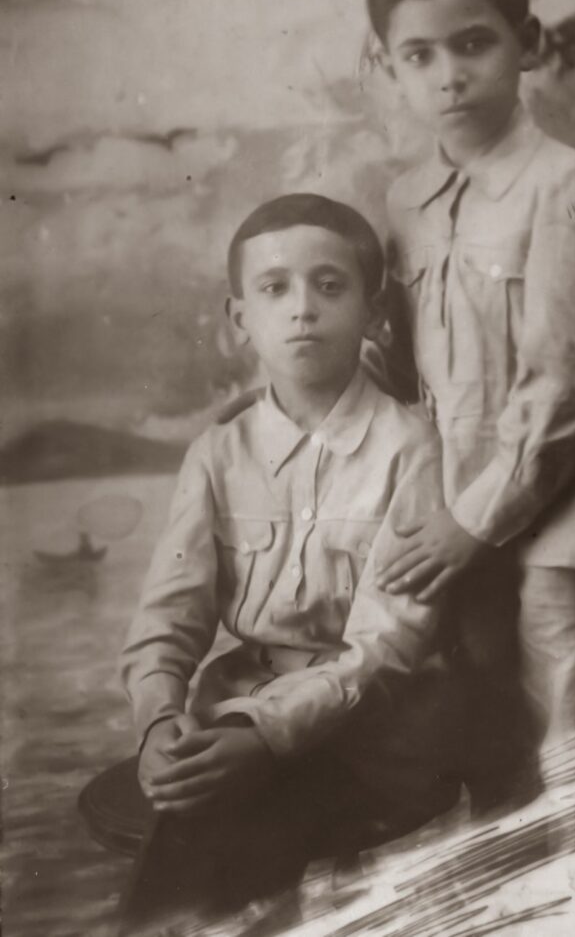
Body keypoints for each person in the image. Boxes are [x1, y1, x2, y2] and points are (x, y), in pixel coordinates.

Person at [368, 0, 575, 807]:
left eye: (474, 43)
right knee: (491, 754)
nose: (449, 76)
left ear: (529, 44)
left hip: (568, 526)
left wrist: (474, 521)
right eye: (419, 55)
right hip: (458, 520)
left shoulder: (567, 188)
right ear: (388, 68)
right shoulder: (408, 203)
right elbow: (416, 373)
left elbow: (573, 384)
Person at [118, 193, 463, 932]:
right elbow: (166, 620)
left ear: (373, 312)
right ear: (239, 318)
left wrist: (264, 735)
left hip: (377, 730)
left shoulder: (410, 450)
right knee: (194, 811)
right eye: (275, 288)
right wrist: (158, 722)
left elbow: (388, 645)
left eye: (329, 286)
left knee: (229, 823)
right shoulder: (218, 454)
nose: (302, 308)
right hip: (240, 711)